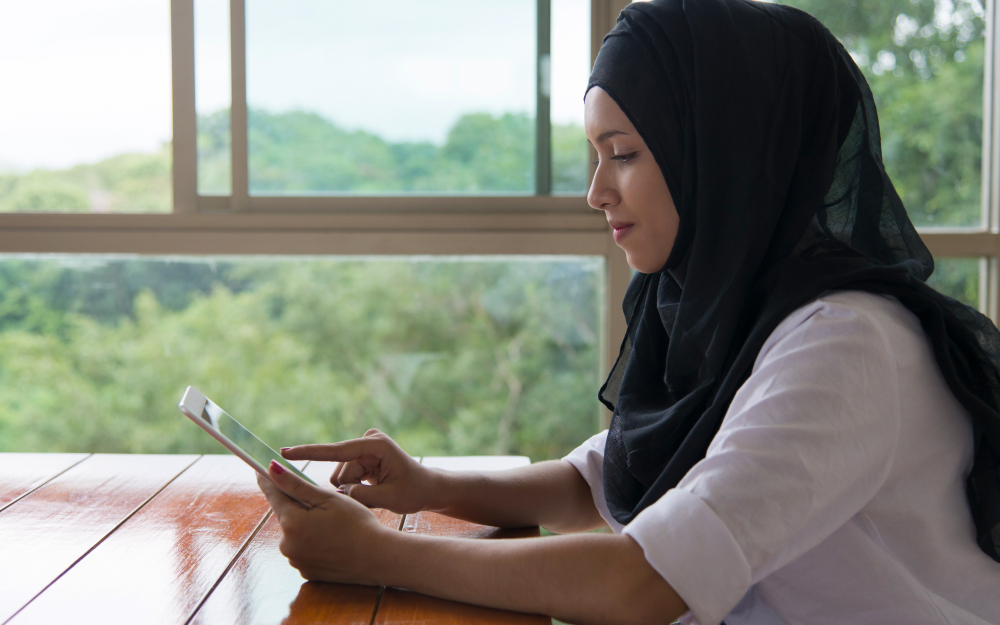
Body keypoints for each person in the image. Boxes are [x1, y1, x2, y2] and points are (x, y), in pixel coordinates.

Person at [256, 0, 1000, 623]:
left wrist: (379, 554)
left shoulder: (845, 343)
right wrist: (429, 483)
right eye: (596, 153)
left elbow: (646, 580)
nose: (597, 191)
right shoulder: (734, 307)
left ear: (722, 151)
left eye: (624, 152)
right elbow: (602, 478)